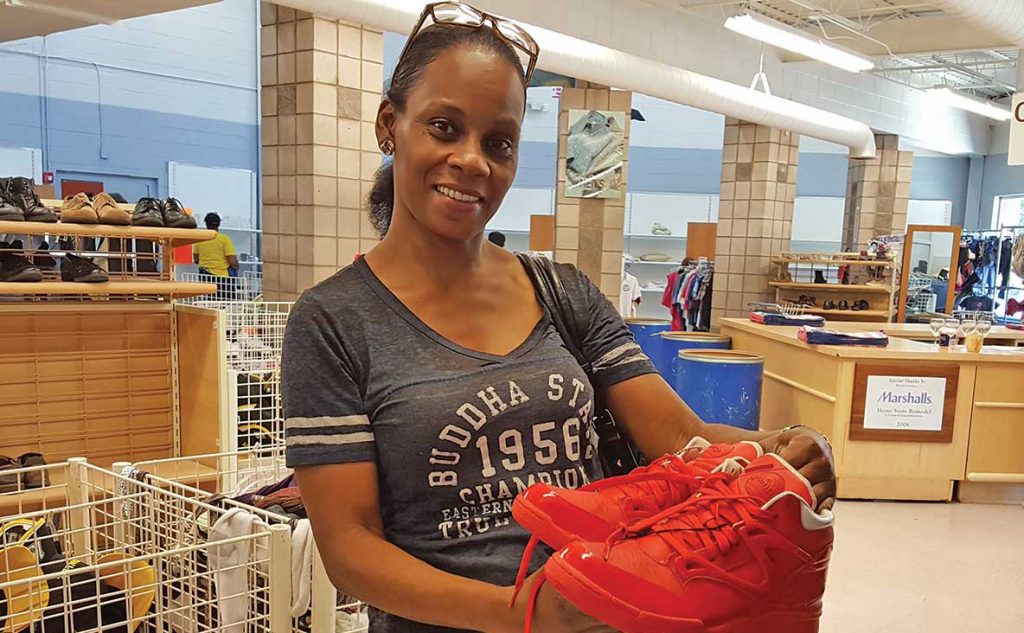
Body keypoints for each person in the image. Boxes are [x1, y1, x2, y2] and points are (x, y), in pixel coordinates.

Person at [282, 4, 835, 632]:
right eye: (443, 127)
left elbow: (678, 439)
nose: (472, 161)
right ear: (391, 125)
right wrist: (530, 614)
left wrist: (783, 449)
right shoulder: (332, 322)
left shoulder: (560, 291)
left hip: (607, 615)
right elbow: (350, 548)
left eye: (499, 142)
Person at [193, 212, 238, 299]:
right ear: (219, 224)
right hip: (222, 278)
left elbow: (196, 259)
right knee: (226, 304)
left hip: (204, 277)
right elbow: (232, 261)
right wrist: (235, 267)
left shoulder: (200, 239)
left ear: (206, 224)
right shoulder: (225, 239)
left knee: (209, 304)